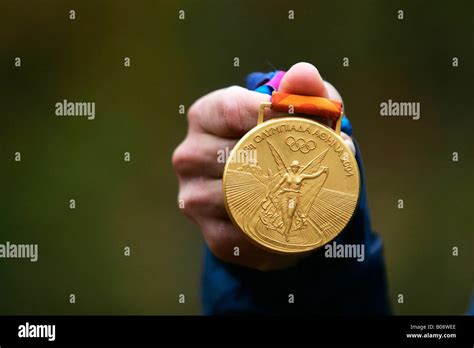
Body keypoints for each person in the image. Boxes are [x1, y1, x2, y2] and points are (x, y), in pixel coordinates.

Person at [172, 62, 391, 314]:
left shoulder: (300, 176)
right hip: (281, 207)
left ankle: (288, 236)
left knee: (290, 217)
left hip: (298, 207)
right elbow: (280, 162)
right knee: (283, 218)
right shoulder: (286, 173)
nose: (295, 167)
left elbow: (314, 174)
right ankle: (286, 238)